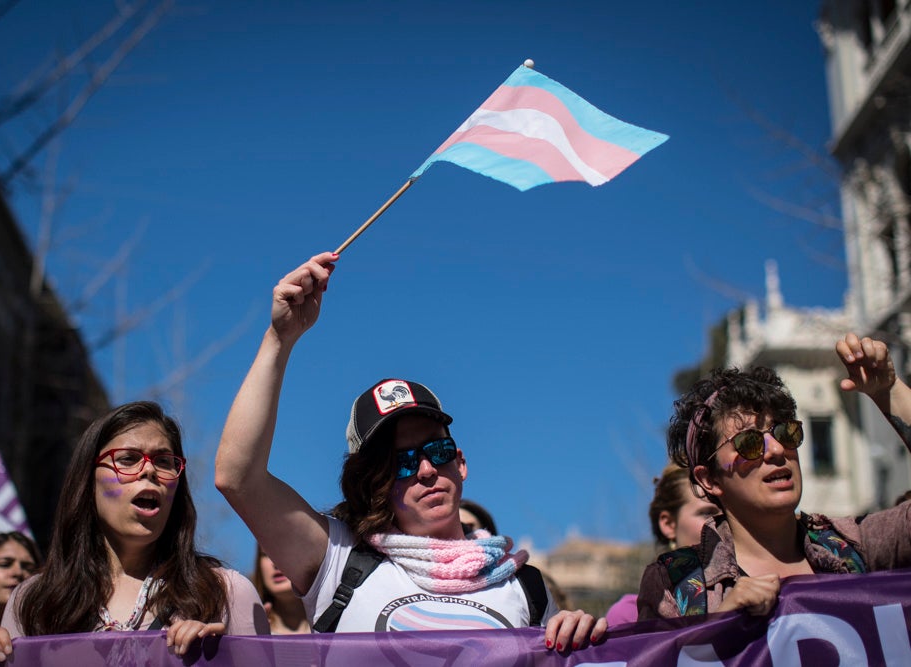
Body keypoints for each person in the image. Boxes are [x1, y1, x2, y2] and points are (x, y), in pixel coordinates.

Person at [215, 252, 605, 652]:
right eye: (400, 463)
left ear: (461, 463)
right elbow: (237, 477)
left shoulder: (525, 586)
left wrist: (579, 638)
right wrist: (280, 339)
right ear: (373, 484)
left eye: (437, 451)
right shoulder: (338, 561)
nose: (425, 470)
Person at [0, 401, 268, 663]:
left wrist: (221, 659)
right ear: (87, 481)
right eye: (128, 460)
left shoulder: (226, 594)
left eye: (164, 462)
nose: (148, 471)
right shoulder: (34, 601)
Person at [638, 333, 911, 619]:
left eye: (785, 433)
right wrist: (718, 627)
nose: (778, 450)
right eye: (749, 443)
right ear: (710, 480)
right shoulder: (674, 584)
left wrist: (890, 391)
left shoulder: (856, 544)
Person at [604, 464, 719, 626]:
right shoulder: (629, 616)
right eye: (707, 513)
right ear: (669, 524)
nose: (722, 522)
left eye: (727, 512)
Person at [252, 547, 310, 634]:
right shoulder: (248, 632)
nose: (275, 562)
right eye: (266, 554)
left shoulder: (336, 626)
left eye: (286, 551)